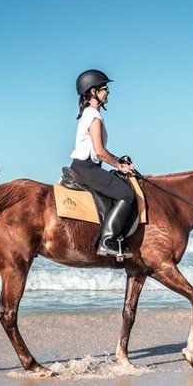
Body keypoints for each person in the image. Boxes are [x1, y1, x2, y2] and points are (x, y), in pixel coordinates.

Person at [70, 69, 136, 259]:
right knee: (127, 194)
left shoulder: (89, 115)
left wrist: (118, 160)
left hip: (86, 167)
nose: (108, 92)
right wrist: (119, 166)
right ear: (93, 92)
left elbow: (99, 151)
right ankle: (107, 241)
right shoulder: (94, 117)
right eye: (104, 88)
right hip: (87, 168)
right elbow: (99, 152)